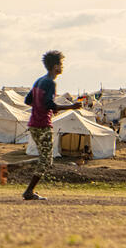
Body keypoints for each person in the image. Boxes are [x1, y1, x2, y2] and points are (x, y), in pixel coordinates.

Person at [22, 50, 83, 201]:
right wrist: (71, 107)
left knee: (43, 158)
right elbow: (48, 103)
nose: (62, 67)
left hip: (34, 123)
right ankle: (29, 191)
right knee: (46, 160)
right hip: (43, 125)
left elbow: (28, 100)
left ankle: (13, 168)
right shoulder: (50, 82)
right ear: (55, 66)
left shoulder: (39, 81)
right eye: (61, 64)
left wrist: (43, 108)